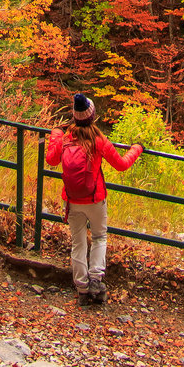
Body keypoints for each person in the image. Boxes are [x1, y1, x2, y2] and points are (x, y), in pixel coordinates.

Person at [45, 93, 143, 305]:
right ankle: (96, 280)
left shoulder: (65, 139)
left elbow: (51, 160)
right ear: (92, 116)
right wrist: (136, 149)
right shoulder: (99, 141)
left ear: (74, 117)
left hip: (72, 200)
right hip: (95, 199)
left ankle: (82, 289)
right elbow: (122, 164)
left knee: (78, 243)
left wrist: (55, 133)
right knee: (99, 237)